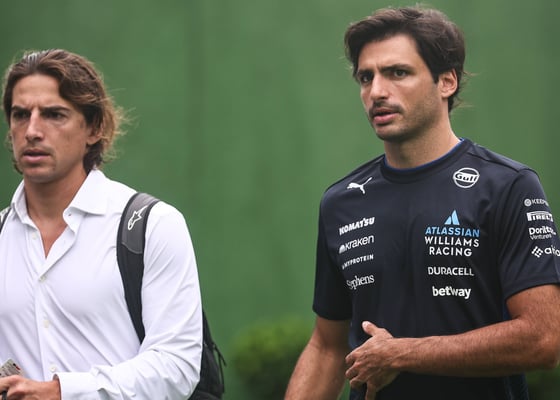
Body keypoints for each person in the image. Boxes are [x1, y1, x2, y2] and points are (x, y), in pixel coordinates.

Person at [285, 5, 560, 400]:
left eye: (397, 73)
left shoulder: (508, 187)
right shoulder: (341, 202)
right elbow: (328, 347)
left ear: (446, 81)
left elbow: (543, 338)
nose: (376, 92)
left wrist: (403, 354)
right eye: (366, 77)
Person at [0, 49, 202, 399]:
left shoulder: (151, 226)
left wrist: (64, 392)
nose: (32, 131)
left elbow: (177, 366)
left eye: (54, 114)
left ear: (94, 128)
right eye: (20, 115)